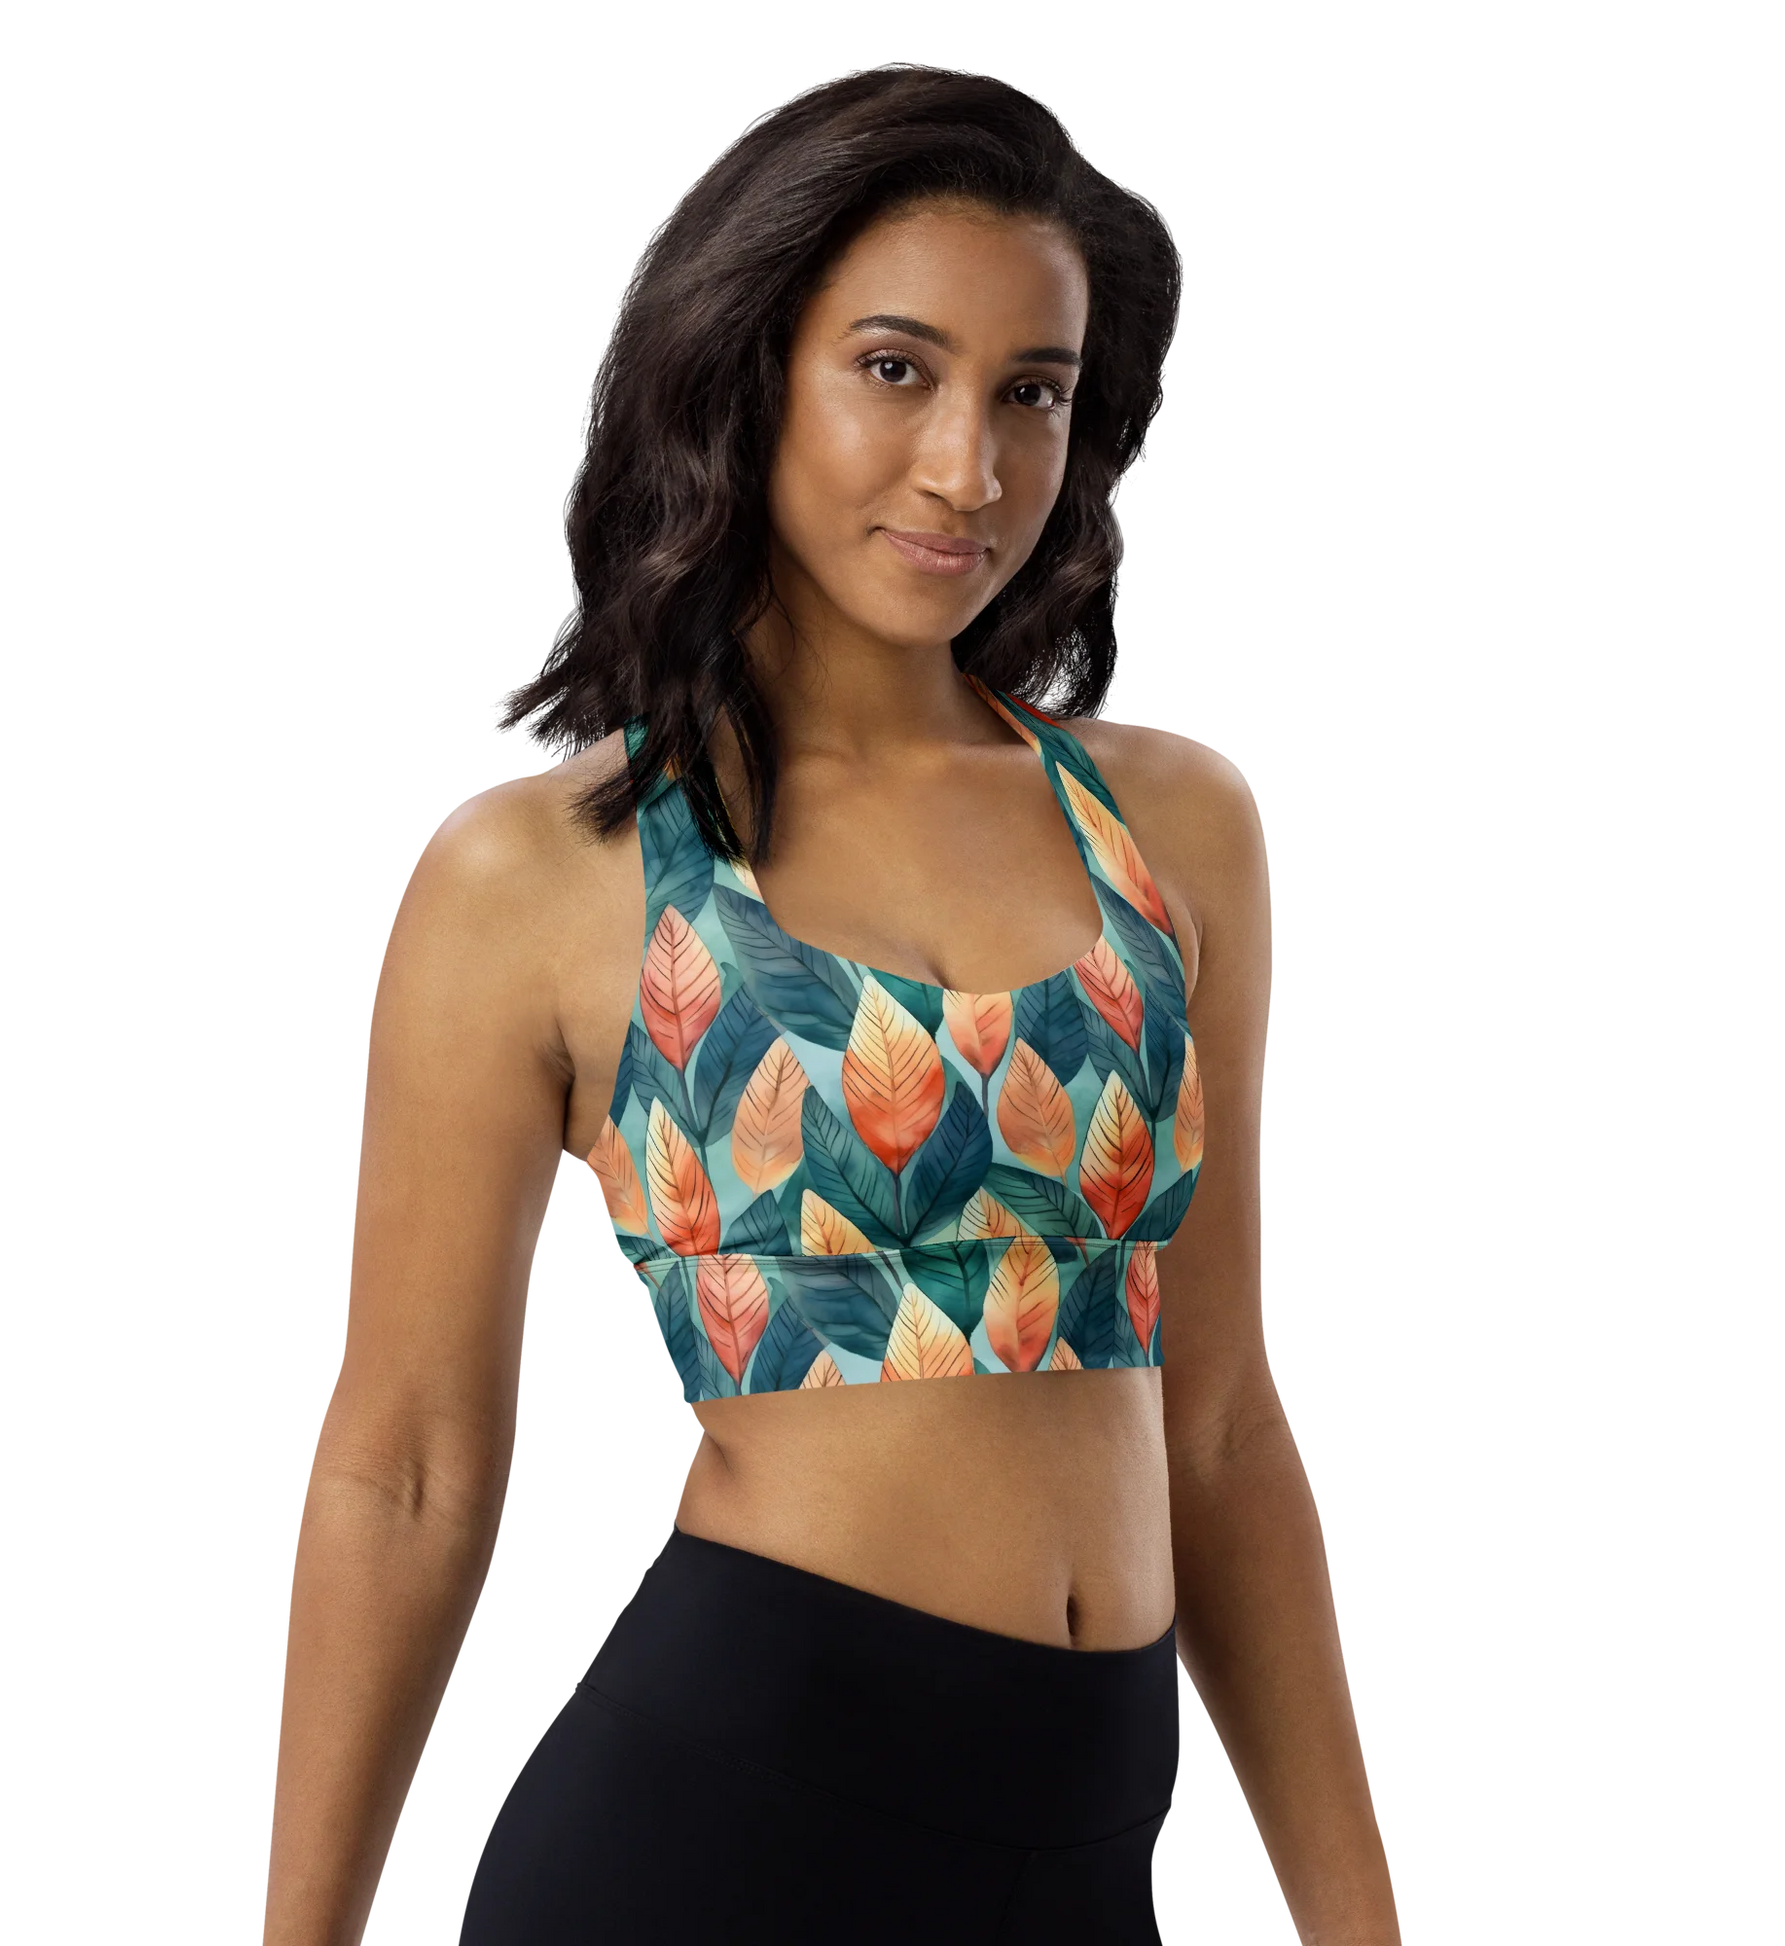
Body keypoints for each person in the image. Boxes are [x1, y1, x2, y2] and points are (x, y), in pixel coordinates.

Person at [263, 60, 1401, 1946]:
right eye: (894, 368)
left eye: (1030, 391)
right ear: (748, 371)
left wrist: (1357, 1920)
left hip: (1090, 1851)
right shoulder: (543, 870)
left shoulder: (1173, 823)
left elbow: (1219, 1429)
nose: (969, 468)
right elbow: (404, 1469)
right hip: (718, 1837)